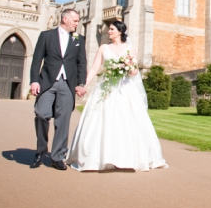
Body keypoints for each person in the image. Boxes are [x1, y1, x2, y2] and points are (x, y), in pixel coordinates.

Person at [68, 20, 167, 171]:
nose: (109, 31)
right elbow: (95, 68)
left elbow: (134, 73)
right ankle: (97, 157)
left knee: (124, 122)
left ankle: (124, 157)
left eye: (112, 29)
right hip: (106, 88)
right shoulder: (103, 48)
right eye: (109, 29)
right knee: (100, 120)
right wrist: (84, 84)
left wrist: (128, 65)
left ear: (120, 31)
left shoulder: (129, 49)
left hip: (124, 89)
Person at [29, 8, 87, 170]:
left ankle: (57, 156)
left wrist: (81, 83)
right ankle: (40, 151)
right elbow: (36, 61)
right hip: (47, 82)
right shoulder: (46, 36)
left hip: (67, 84)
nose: (77, 24)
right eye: (75, 21)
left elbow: (81, 63)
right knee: (41, 113)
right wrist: (34, 81)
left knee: (63, 120)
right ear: (64, 20)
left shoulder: (78, 39)